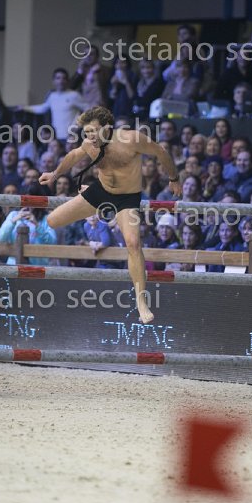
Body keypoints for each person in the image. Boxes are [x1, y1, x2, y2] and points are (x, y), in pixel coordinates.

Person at [39, 105, 182, 324]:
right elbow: (74, 155)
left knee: (133, 243)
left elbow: (160, 151)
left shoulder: (131, 139)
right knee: (51, 221)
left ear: (106, 128)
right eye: (86, 132)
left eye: (93, 131)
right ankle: (98, 214)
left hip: (127, 198)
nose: (90, 136)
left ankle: (141, 300)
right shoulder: (89, 143)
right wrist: (55, 174)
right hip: (101, 191)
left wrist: (174, 178)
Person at [19, 68, 86, 142]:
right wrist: (25, 108)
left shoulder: (74, 95)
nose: (61, 81)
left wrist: (77, 125)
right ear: (53, 81)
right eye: (58, 78)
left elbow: (88, 109)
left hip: (72, 137)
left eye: (64, 78)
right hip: (56, 138)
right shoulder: (52, 96)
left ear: (67, 81)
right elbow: (43, 108)